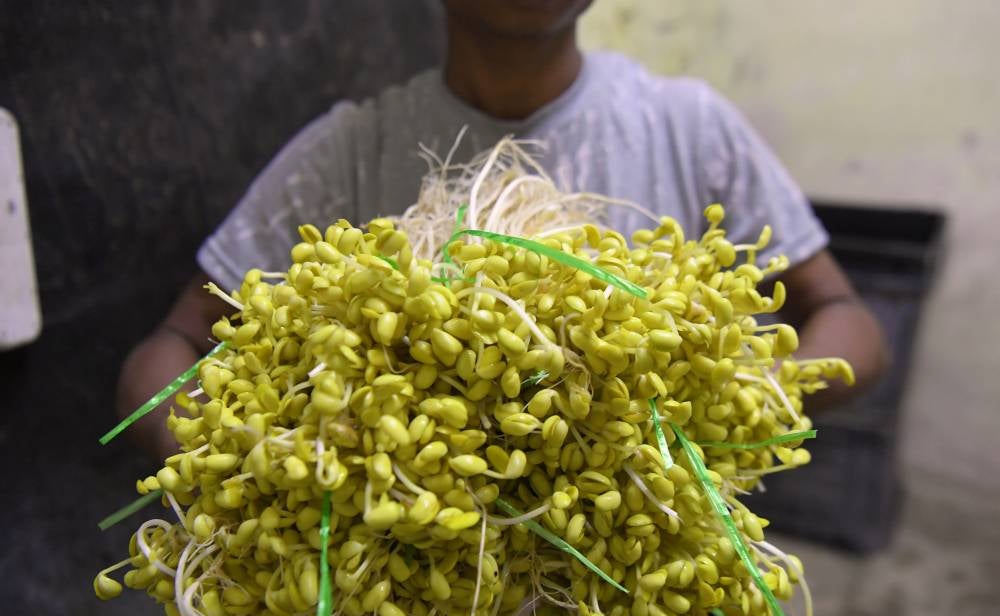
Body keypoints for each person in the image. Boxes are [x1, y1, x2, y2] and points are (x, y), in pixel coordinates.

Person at [118, 0, 887, 462]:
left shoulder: (687, 125)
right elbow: (172, 349)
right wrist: (231, 464)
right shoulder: (349, 153)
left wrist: (748, 398)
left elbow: (849, 322)